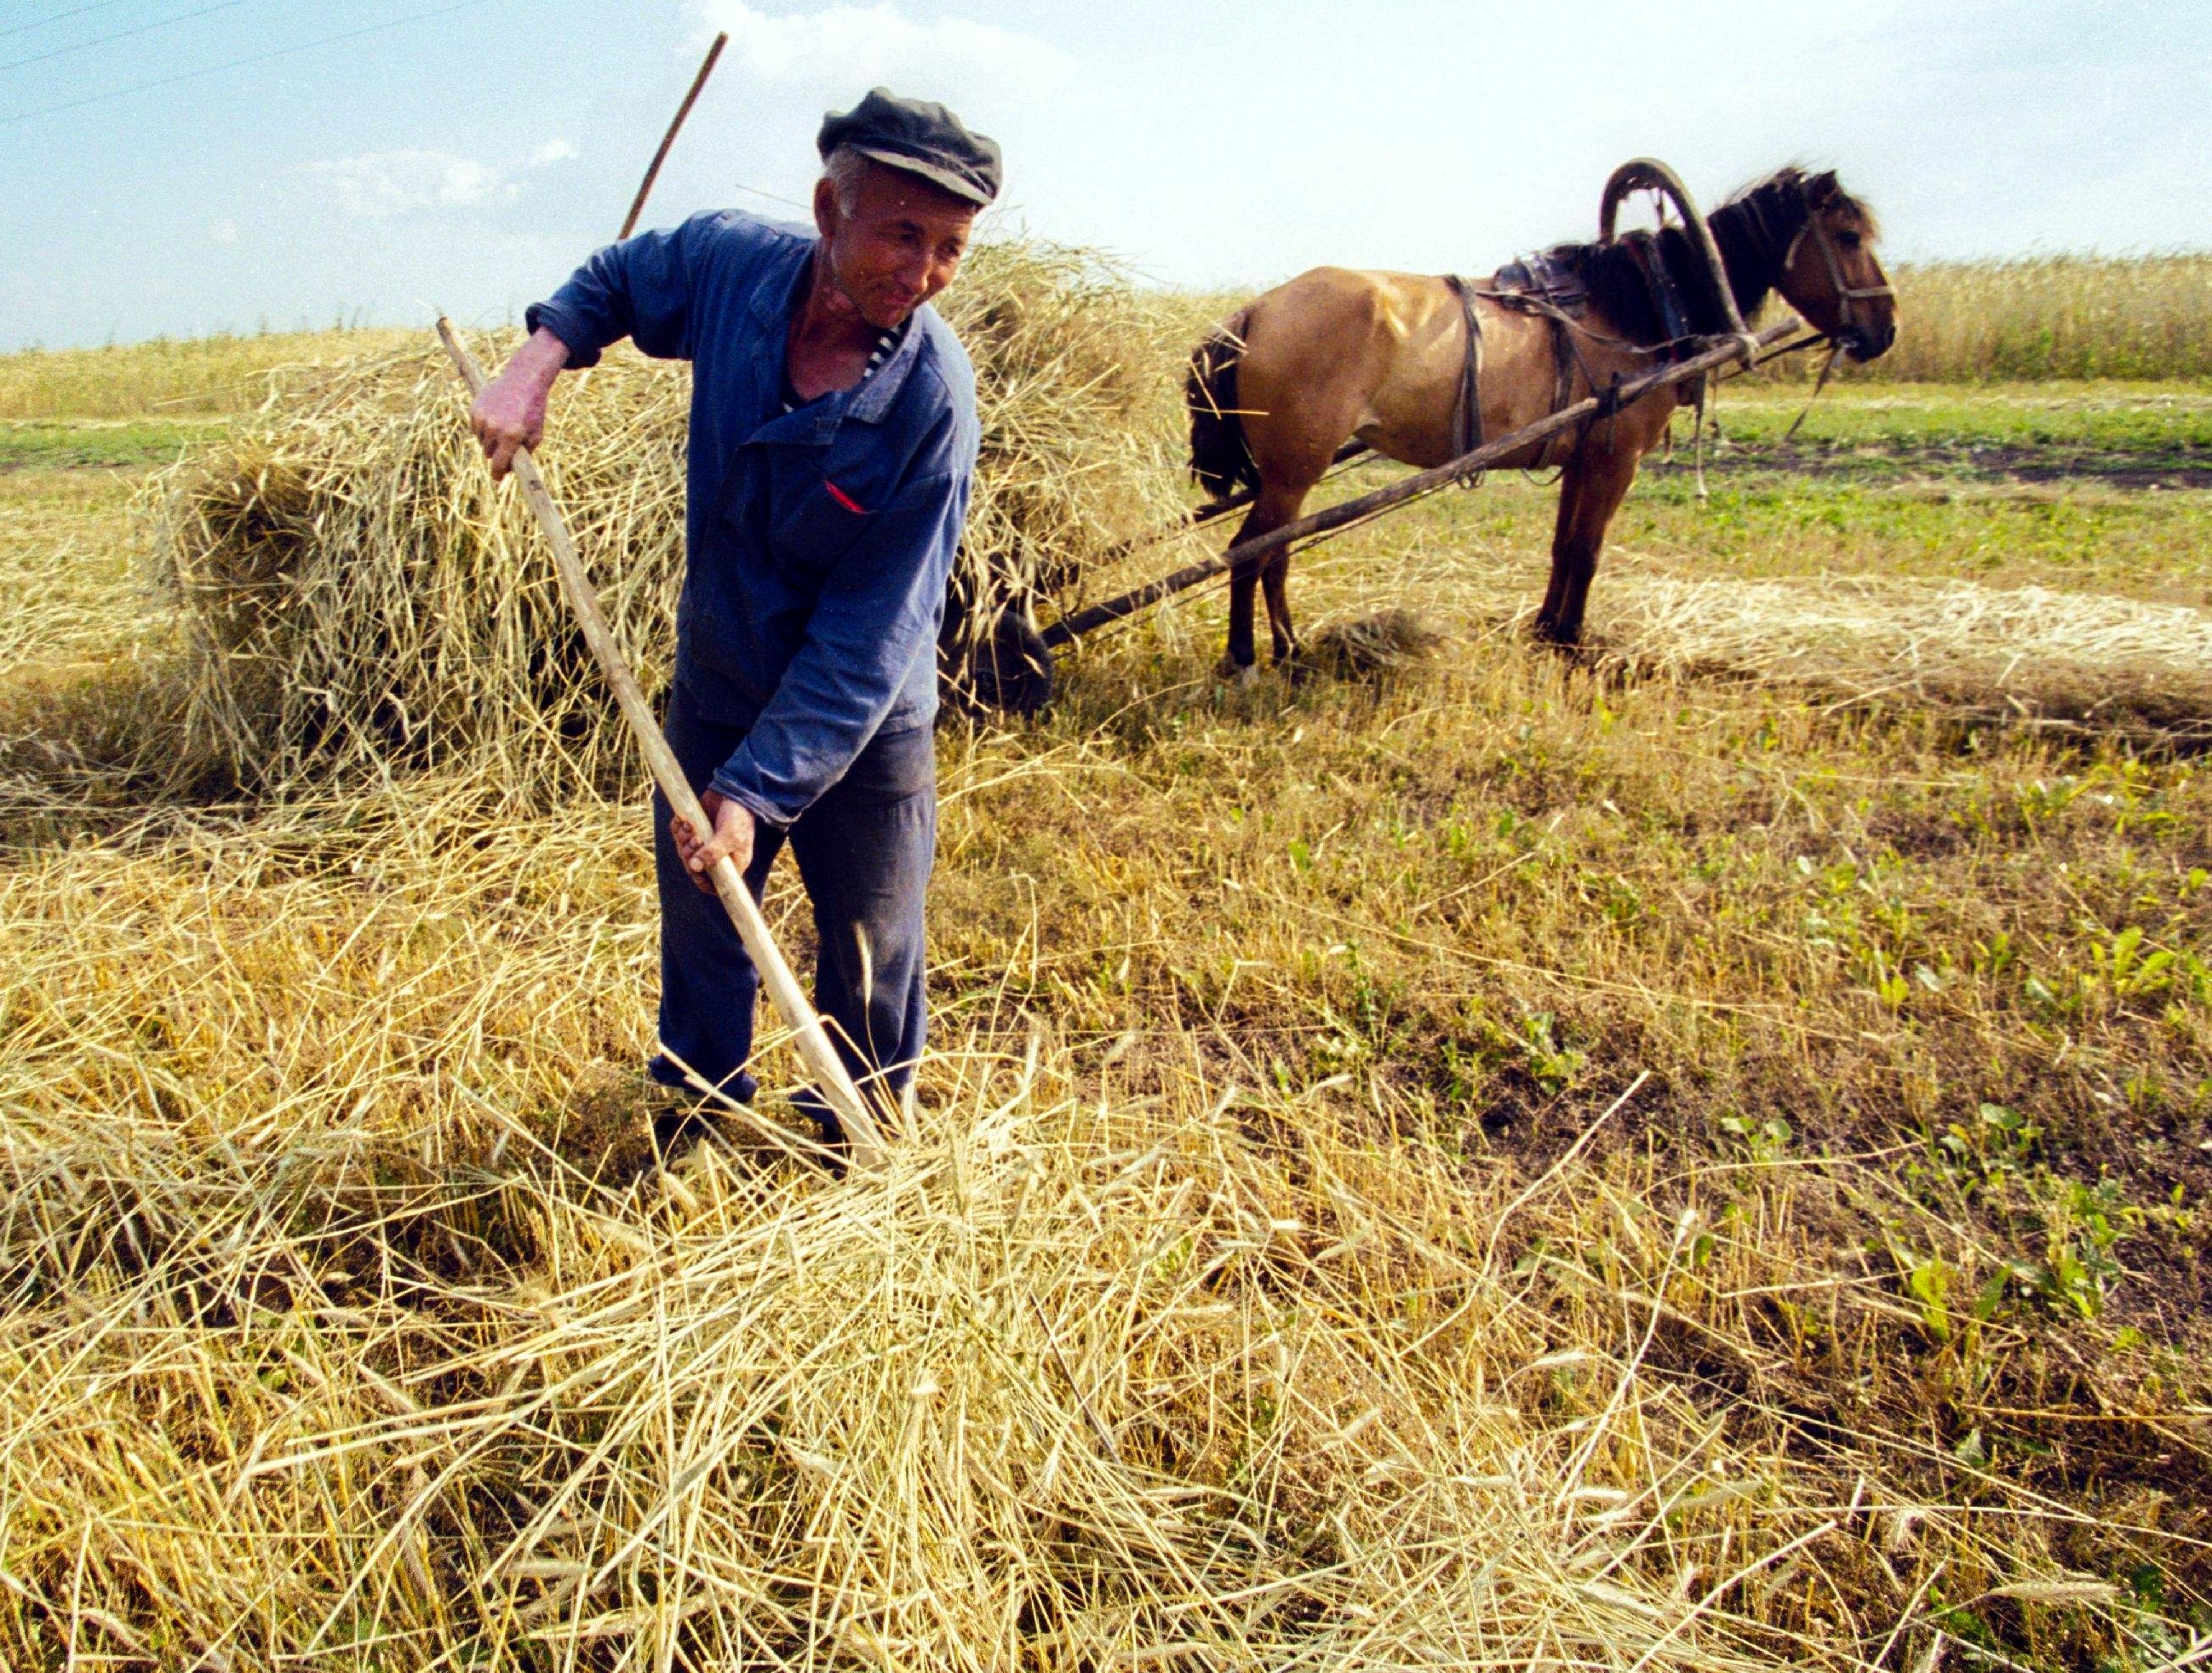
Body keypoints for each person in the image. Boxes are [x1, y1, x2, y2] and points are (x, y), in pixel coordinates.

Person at [468, 89, 1000, 1153]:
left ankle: (862, 1133)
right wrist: (537, 362)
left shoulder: (931, 403)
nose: (923, 273)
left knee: (871, 937)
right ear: (827, 210)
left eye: (950, 248)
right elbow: (618, 282)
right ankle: (699, 1116)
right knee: (706, 916)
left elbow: (871, 633)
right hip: (720, 675)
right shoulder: (732, 268)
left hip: (858, 720)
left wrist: (758, 790)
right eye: (902, 233)